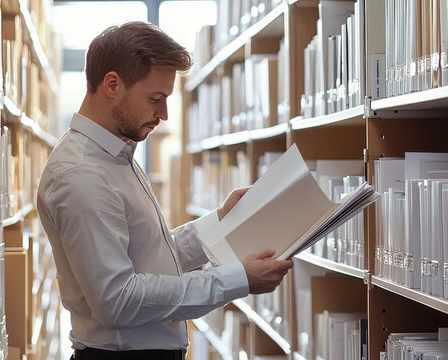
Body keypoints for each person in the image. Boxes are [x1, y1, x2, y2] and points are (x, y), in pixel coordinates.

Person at [36, 21, 294, 360]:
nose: (164, 114)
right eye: (155, 99)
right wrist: (237, 279)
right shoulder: (83, 174)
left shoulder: (114, 154)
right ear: (112, 84)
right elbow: (118, 300)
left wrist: (221, 221)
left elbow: (147, 255)